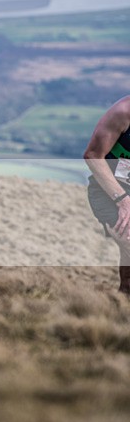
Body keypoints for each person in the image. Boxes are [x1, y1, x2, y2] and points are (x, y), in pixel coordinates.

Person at [84, 95, 130, 293]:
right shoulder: (123, 113)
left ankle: (123, 303)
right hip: (108, 191)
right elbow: (93, 155)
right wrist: (122, 200)